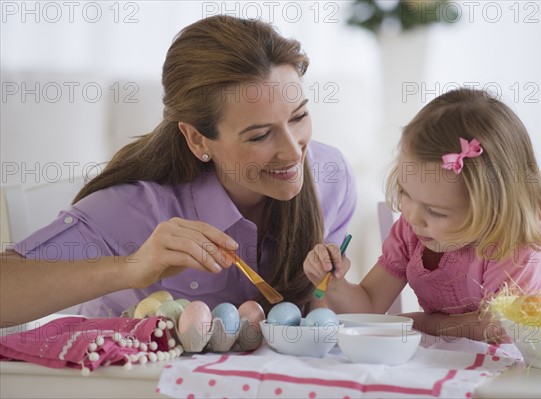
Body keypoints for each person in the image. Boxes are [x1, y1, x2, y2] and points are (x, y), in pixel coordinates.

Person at [0, 15, 356, 326]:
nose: (294, 151)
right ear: (198, 139)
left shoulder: (331, 177)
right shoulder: (137, 208)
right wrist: (131, 267)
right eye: (260, 135)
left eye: (299, 117)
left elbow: (321, 313)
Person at [303, 88, 541, 342]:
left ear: (494, 210)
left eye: (436, 212)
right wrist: (334, 285)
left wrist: (425, 323)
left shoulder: (516, 248)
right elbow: (369, 304)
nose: (412, 216)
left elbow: (502, 328)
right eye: (406, 193)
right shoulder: (412, 231)